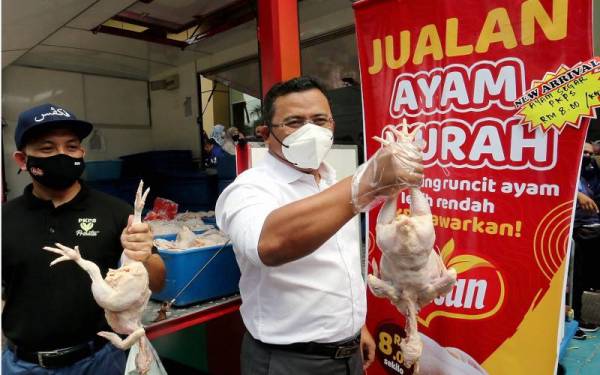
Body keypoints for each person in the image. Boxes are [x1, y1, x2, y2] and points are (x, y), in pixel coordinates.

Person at [216, 76, 425, 374]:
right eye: (294, 122)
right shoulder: (249, 188)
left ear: (332, 126)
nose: (311, 131)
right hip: (289, 361)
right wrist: (365, 183)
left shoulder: (330, 181)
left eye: (319, 120)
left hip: (347, 352)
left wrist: (354, 327)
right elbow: (268, 245)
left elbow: (336, 265)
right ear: (266, 133)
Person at [2, 103, 166, 374]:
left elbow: (158, 282)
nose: (62, 155)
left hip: (101, 359)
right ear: (22, 160)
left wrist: (145, 254)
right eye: (47, 148)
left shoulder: (116, 212)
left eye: (71, 146)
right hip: (23, 365)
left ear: (82, 152)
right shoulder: (5, 219)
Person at [572, 141, 600, 337]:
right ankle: (575, 321)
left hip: (596, 229)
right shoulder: (570, 174)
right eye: (583, 152)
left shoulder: (594, 175)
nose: (587, 157)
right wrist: (578, 195)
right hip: (577, 231)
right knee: (577, 279)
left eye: (590, 153)